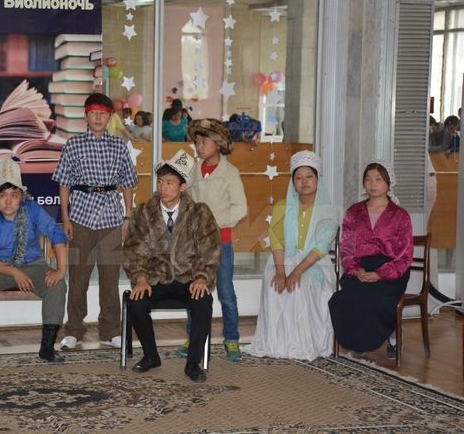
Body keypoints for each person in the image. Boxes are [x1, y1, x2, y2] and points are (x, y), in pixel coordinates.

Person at [124, 150, 219, 383]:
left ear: (182, 186)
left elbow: (209, 250)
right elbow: (133, 250)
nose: (163, 187)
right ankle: (151, 356)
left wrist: (201, 277)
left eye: (169, 182)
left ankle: (193, 363)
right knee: (136, 302)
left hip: (188, 278)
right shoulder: (144, 212)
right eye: (160, 181)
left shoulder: (199, 213)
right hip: (154, 278)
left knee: (203, 301)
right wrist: (140, 278)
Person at [52, 92, 138, 350]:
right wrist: (66, 218)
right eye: (93, 113)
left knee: (110, 278)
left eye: (103, 113)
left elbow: (128, 183)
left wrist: (127, 216)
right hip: (80, 217)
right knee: (78, 276)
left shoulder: (119, 146)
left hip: (111, 217)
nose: (98, 118)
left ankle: (110, 330)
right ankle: (74, 330)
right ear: (86, 116)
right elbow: (64, 184)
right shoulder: (73, 145)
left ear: (110, 116)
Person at [0, 158, 68, 363]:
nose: (8, 201)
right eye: (3, 195)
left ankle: (47, 347)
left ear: (22, 195)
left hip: (33, 265)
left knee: (57, 285)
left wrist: (61, 269)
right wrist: (14, 271)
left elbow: (56, 233)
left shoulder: (32, 210)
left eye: (14, 195)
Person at [244, 151, 339, 360]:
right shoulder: (282, 206)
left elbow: (321, 246)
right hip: (283, 260)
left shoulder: (329, 210)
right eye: (298, 178)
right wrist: (281, 271)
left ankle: (304, 344)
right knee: (274, 284)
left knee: (300, 285)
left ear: (318, 179)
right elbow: (276, 239)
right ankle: (277, 345)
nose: (304, 182)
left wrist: (296, 272)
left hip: (314, 263)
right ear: (293, 182)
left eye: (309, 176)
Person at [329, 161, 413, 360]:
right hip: (360, 269)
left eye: (378, 179)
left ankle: (393, 333)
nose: (372, 184)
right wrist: (356, 270)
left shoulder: (400, 215)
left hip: (391, 271)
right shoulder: (353, 212)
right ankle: (358, 340)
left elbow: (404, 256)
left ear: (389, 183)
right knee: (340, 300)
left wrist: (380, 274)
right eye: (368, 179)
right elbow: (347, 249)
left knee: (375, 298)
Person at [185, 119, 247, 361]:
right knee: (195, 290)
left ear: (218, 144)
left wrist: (214, 222)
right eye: (197, 142)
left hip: (221, 241)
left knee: (225, 292)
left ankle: (231, 339)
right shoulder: (194, 170)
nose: (199, 147)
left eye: (205, 142)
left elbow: (241, 208)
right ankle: (192, 337)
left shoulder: (230, 173)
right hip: (196, 243)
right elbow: (188, 197)